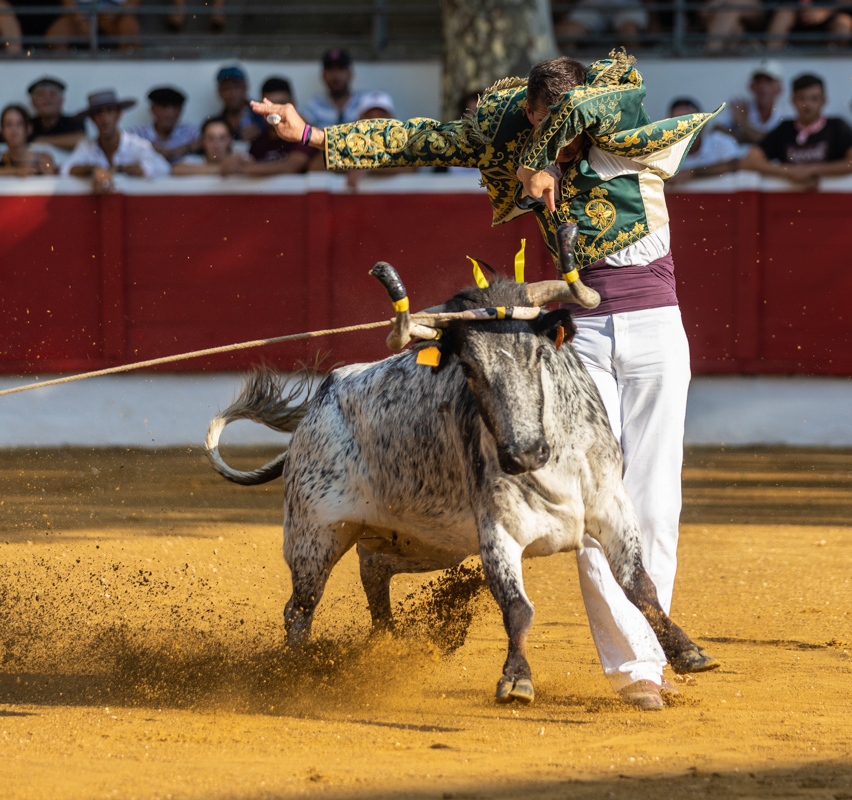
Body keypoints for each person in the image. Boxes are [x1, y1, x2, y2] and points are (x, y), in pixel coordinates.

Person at [250, 51, 721, 710]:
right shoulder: (516, 135)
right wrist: (313, 136)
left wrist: (547, 168)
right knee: (597, 500)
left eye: (551, 125)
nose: (539, 136)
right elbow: (424, 138)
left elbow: (595, 116)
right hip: (577, 339)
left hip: (656, 328)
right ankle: (638, 664)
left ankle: (647, 646)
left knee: (657, 499)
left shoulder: (623, 121)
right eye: (535, 125)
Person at [740, 73, 852, 189]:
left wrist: (811, 170)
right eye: (802, 98)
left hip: (832, 205)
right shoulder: (784, 129)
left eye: (814, 99)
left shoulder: (836, 127)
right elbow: (749, 162)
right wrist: (789, 171)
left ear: (824, 101)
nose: (808, 104)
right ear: (793, 100)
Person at [63, 89, 170, 194]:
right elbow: (66, 169)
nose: (104, 118)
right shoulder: (87, 146)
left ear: (119, 114)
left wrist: (121, 169)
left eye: (109, 111)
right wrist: (94, 169)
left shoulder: (135, 144)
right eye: (99, 113)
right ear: (92, 119)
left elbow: (162, 168)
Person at [231, 77, 316, 176]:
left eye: (281, 104)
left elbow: (291, 167)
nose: (276, 111)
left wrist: (244, 169)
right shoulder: (258, 142)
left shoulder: (305, 134)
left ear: (293, 104)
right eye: (270, 106)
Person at [667, 98, 742, 185]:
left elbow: (736, 165)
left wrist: (691, 173)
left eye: (690, 123)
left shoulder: (721, 143)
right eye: (675, 124)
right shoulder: (662, 153)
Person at [716, 60, 792, 146]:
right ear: (751, 86)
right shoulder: (740, 105)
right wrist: (746, 138)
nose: (762, 87)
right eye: (758, 81)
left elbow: (771, 143)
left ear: (779, 89)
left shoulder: (787, 114)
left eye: (768, 82)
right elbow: (716, 130)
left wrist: (742, 123)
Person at [0, 104, 58, 177]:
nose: (14, 130)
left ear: (29, 128)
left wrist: (46, 170)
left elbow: (49, 172)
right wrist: (16, 171)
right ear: (2, 130)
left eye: (19, 124)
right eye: (8, 124)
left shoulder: (42, 157)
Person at [127, 86, 200, 164]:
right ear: (152, 109)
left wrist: (189, 148)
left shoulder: (192, 132)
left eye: (175, 107)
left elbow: (205, 141)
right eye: (164, 106)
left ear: (181, 110)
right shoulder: (137, 133)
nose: (170, 114)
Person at [299, 48, 365, 129]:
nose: (335, 75)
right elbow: (300, 127)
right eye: (330, 69)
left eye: (341, 69)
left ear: (350, 74)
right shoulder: (316, 104)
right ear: (323, 75)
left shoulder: (365, 101)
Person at [46, 0, 139, 52]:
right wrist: (78, 17)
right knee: (55, 36)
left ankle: (124, 71)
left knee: (130, 29)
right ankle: (65, 70)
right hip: (81, 13)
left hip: (117, 14)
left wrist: (119, 11)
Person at [24, 76, 86, 150]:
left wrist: (41, 141)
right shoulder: (26, 124)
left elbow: (81, 140)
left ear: (62, 100)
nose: (47, 99)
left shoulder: (74, 121)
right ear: (33, 102)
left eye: (52, 94)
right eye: (41, 95)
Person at [555, 0, 647, 49]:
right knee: (564, 34)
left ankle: (632, 76)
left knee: (630, 34)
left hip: (627, 6)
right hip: (590, 8)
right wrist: (563, 16)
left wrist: (654, 21)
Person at [766, 0, 852, 50]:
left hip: (830, 15)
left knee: (844, 23)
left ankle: (835, 65)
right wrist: (798, 7)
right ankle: (770, 61)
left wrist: (827, 10)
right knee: (783, 14)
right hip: (793, 12)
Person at [211, 64, 265, 142]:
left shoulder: (263, 115)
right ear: (219, 91)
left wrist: (261, 133)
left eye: (236, 87)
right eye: (226, 88)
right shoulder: (215, 123)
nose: (231, 93)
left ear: (245, 87)